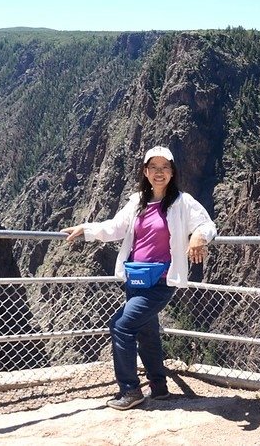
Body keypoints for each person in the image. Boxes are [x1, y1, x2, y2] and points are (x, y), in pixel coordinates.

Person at [61, 145, 217, 410]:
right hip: (136, 279)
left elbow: (206, 224)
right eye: (153, 167)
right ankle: (159, 388)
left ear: (172, 172)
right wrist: (86, 229)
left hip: (160, 282)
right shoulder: (137, 202)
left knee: (121, 325)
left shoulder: (182, 202)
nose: (159, 172)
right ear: (145, 172)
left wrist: (199, 237)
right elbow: (114, 227)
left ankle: (130, 390)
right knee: (147, 333)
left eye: (164, 167)